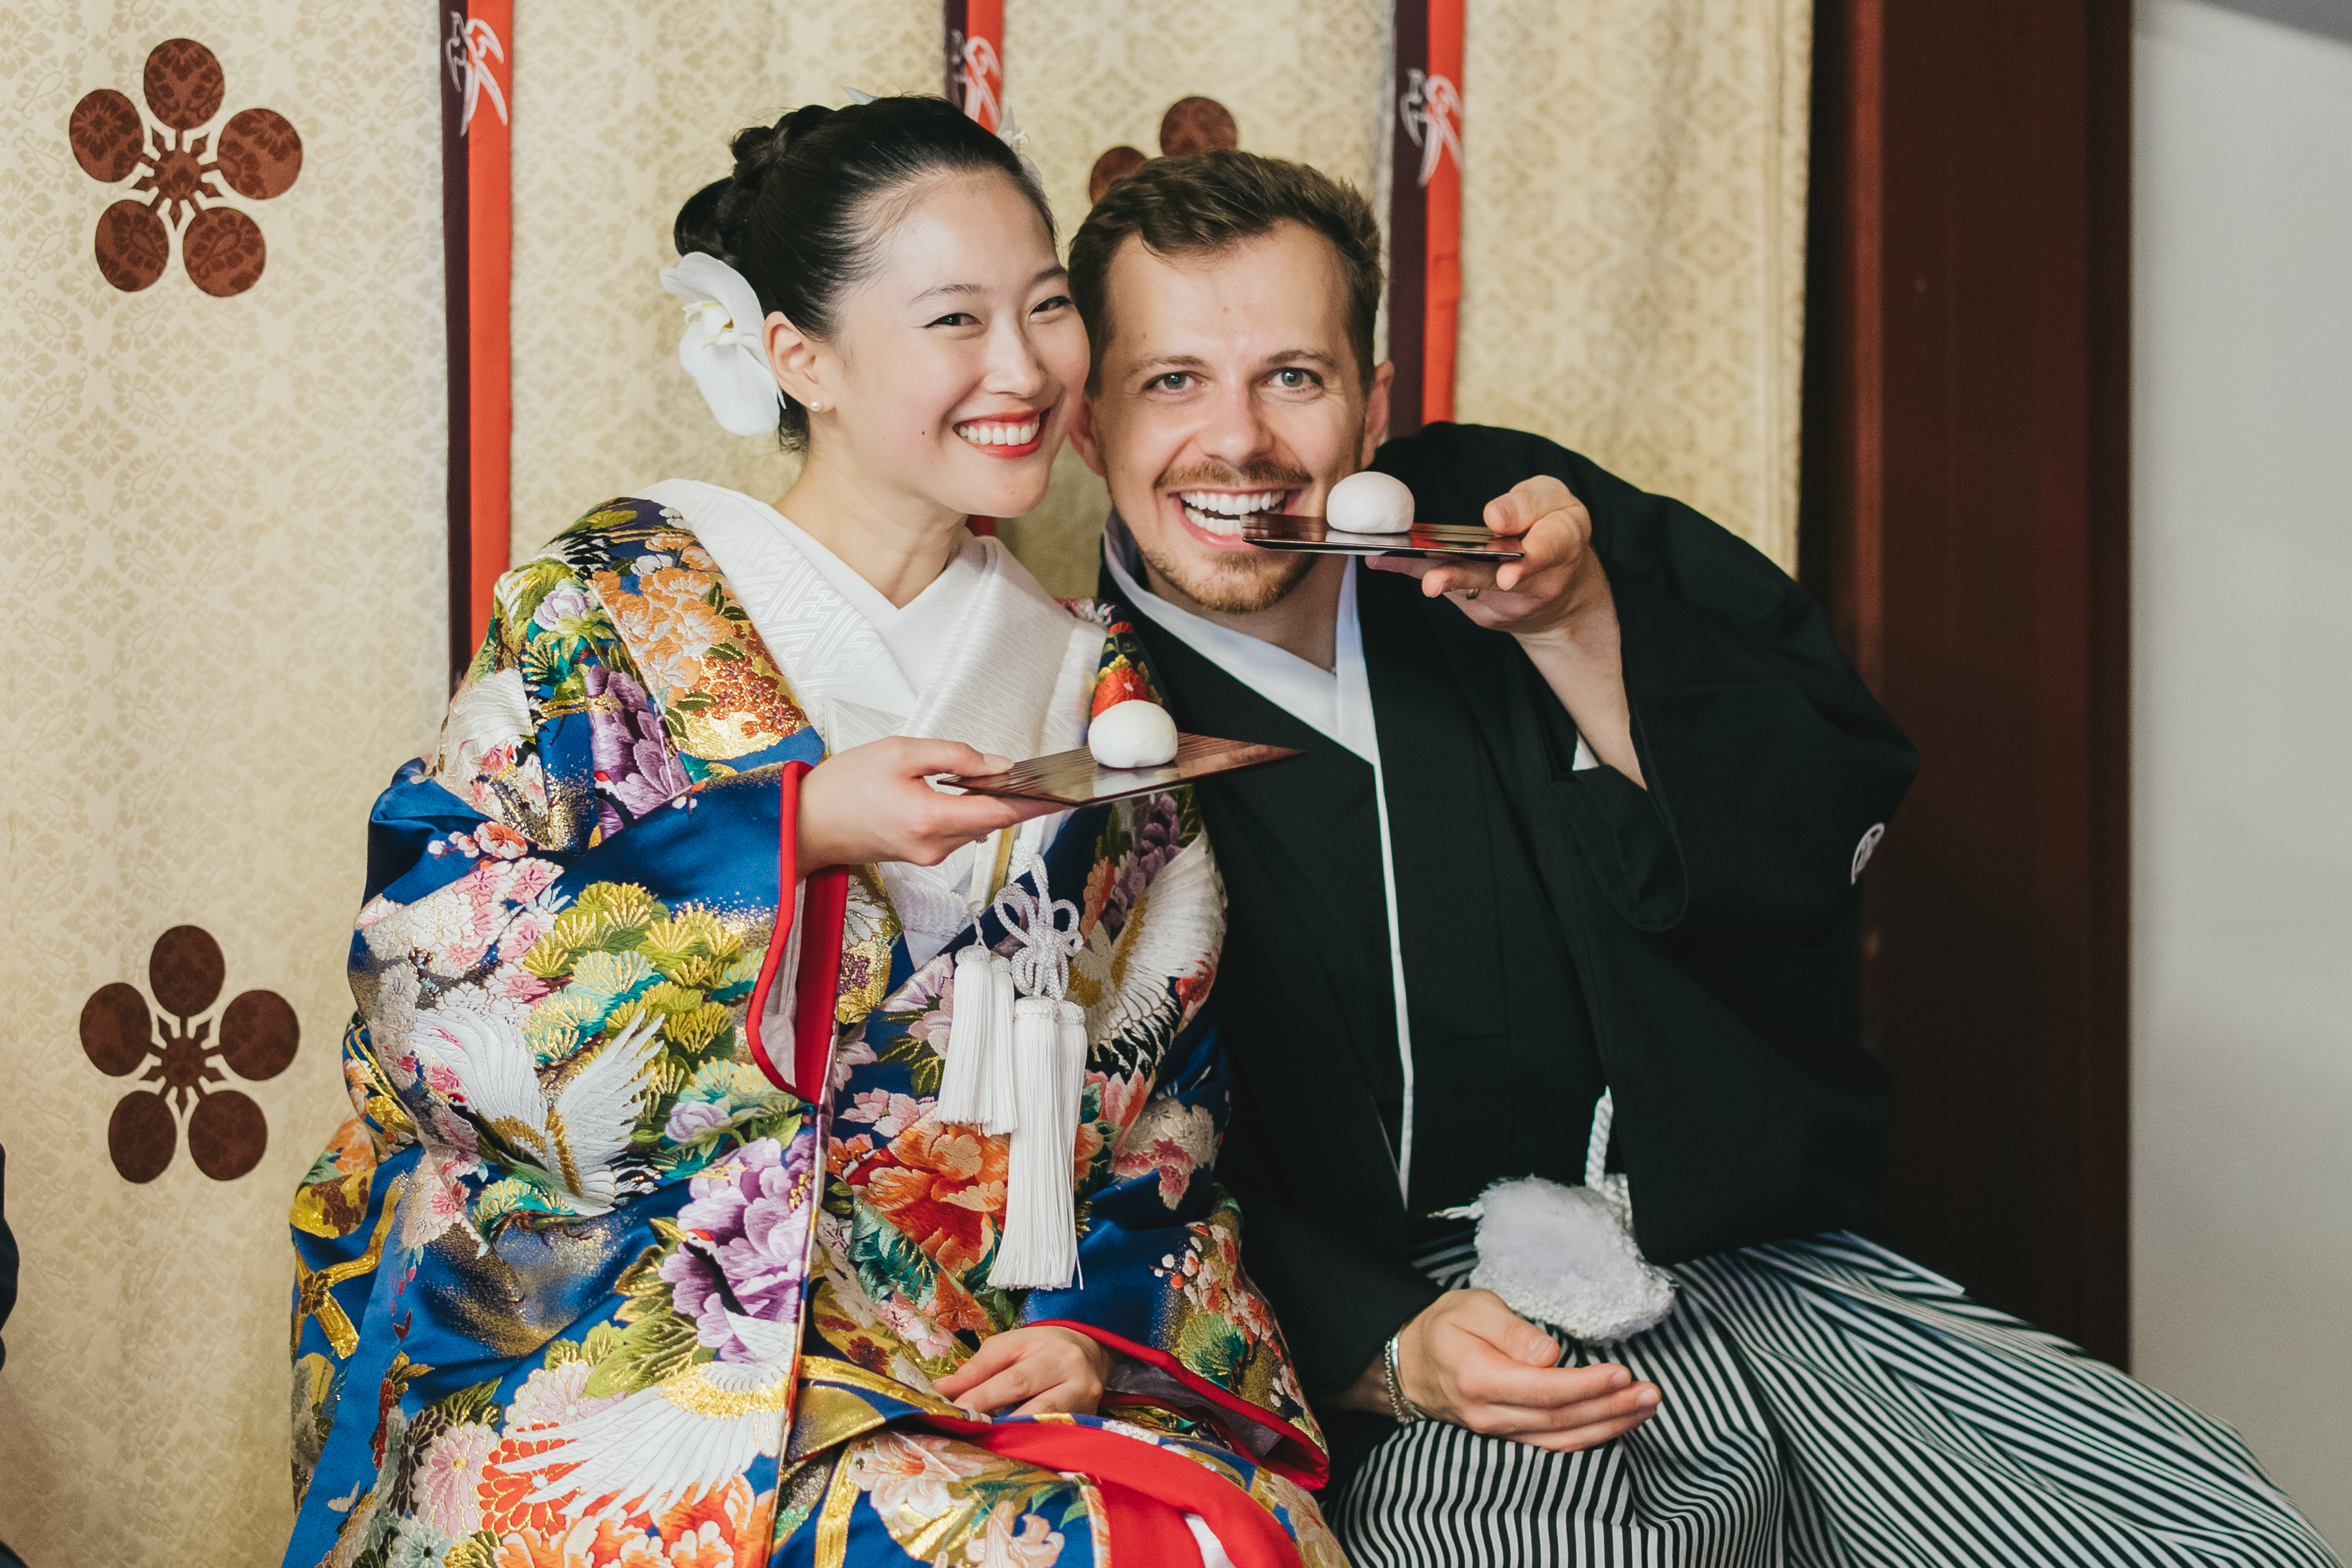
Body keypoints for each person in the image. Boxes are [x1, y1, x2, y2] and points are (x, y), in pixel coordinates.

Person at [1065, 149, 2343, 1567]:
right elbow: (1088, 1166)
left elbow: (1805, 833)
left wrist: (1577, 628)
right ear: (1088, 421)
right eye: (1173, 381)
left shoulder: (1499, 527)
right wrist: (1383, 1344)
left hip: (1745, 1260)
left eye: (1294, 377)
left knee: (2219, 1534)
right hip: (1423, 1344)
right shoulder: (1068, 721)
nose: (1238, 440)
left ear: (1372, 402)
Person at [282, 99, 1344, 1568]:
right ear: (801, 357)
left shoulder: (1094, 683)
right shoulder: (614, 608)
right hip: (644, 1330)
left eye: (1045, 308)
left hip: (973, 1338)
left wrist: (1098, 1324)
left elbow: (1163, 1092)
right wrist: (788, 833)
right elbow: (430, 975)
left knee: (1226, 1538)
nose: (1024, 368)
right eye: (955, 320)